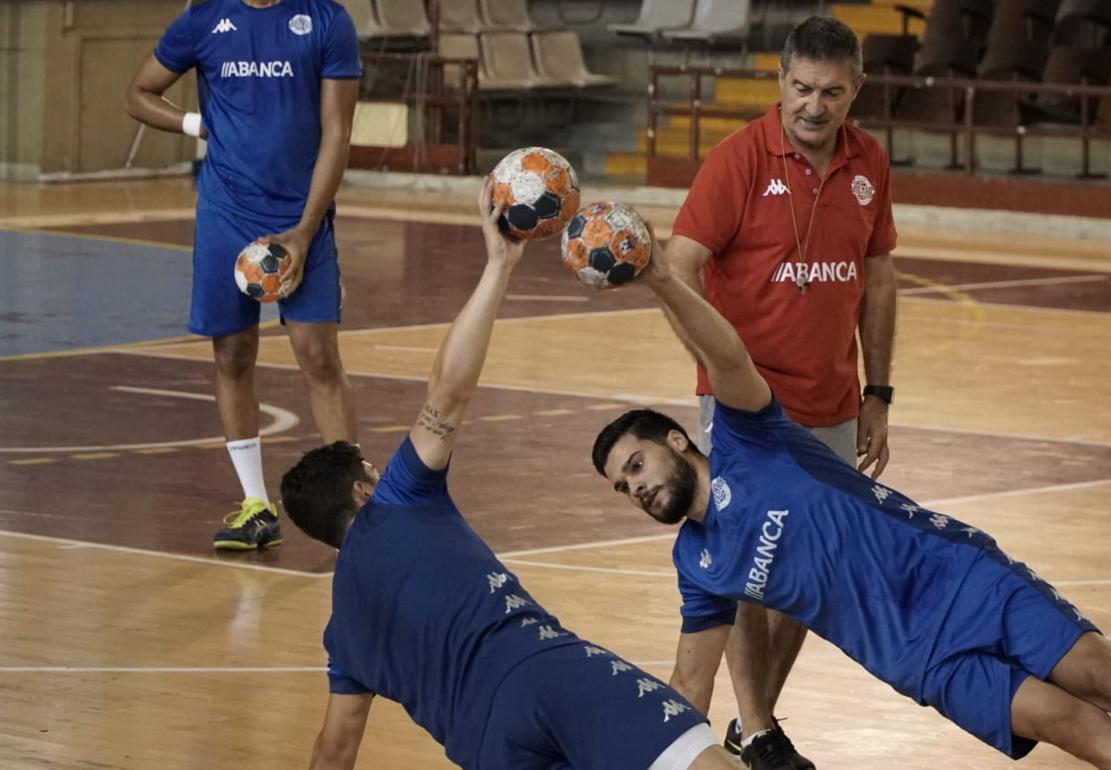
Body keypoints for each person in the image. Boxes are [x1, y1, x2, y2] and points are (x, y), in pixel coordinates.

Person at [589, 236, 1111, 770]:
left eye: (637, 465)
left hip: (959, 578)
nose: (636, 487)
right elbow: (690, 685)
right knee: (1076, 727)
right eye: (623, 486)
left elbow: (725, 353)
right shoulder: (699, 564)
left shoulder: (748, 438)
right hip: (922, 659)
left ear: (677, 441)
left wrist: (663, 280)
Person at [278, 181, 741, 770]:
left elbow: (334, 749)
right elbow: (448, 392)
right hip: (544, 673)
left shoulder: (344, 634)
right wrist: (499, 264)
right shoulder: (397, 499)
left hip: (483, 747)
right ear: (362, 489)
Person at [663, 16, 898, 757]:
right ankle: (760, 727)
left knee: (812, 569)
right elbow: (677, 264)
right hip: (745, 408)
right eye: (801, 88)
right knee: (745, 562)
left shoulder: (870, 161)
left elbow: (880, 277)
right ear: (780, 81)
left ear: (856, 89)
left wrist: (880, 391)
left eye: (831, 92)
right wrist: (712, 361)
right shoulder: (737, 159)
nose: (813, 106)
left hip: (834, 400)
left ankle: (754, 720)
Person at [123, 0, 361, 549]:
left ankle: (358, 510)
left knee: (319, 357)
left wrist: (305, 231)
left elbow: (338, 132)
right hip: (225, 213)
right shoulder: (203, 20)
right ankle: (256, 507)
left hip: (301, 215)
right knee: (232, 355)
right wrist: (197, 123)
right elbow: (138, 94)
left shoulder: (327, 20)